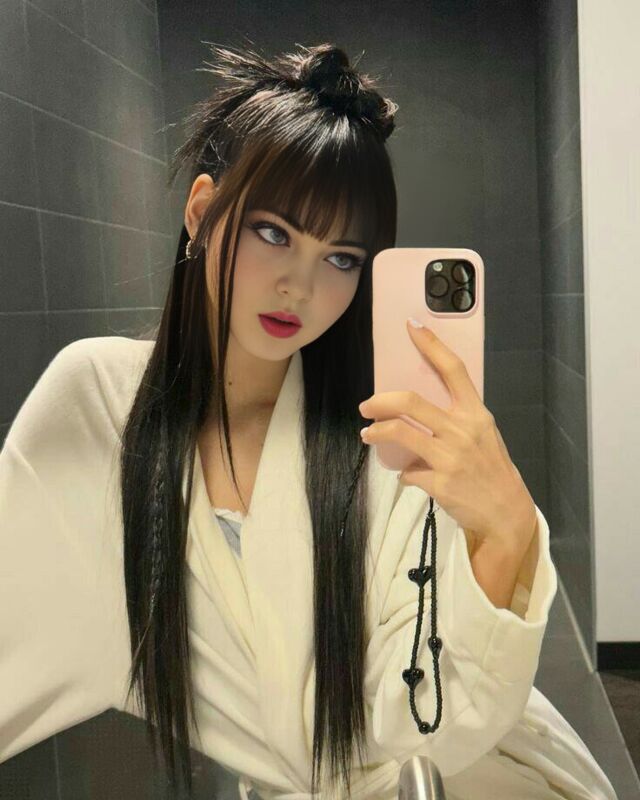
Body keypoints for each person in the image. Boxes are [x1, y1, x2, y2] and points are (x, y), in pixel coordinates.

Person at [0, 41, 617, 800]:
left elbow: (428, 723)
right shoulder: (98, 401)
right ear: (202, 212)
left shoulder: (380, 433)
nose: (300, 285)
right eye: (274, 233)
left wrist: (506, 537)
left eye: (342, 258)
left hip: (470, 778)